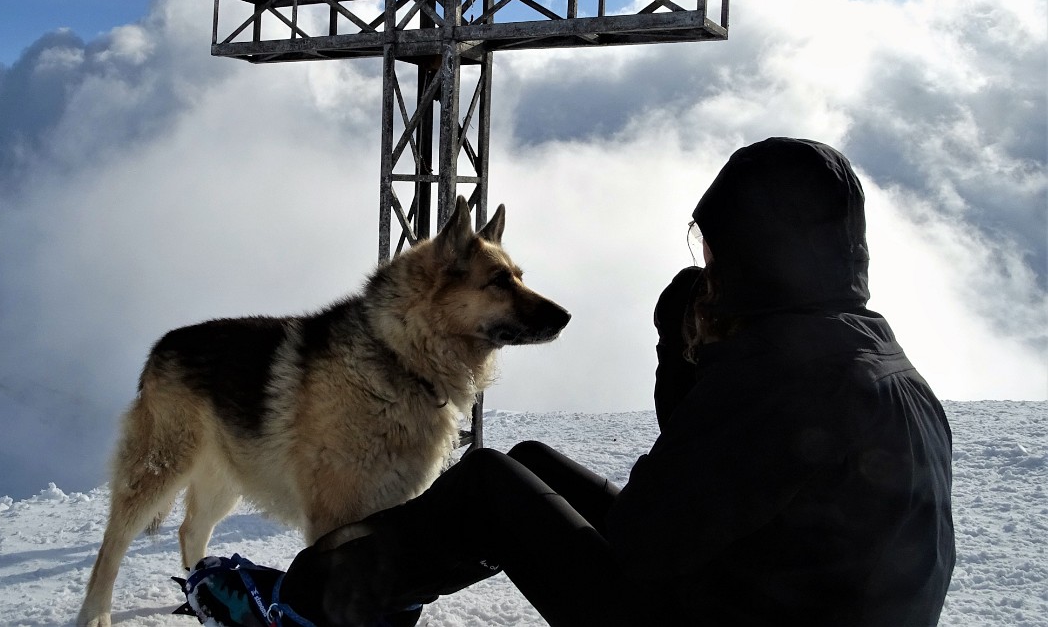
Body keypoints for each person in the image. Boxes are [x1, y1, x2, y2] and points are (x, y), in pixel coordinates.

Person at [186, 138, 956, 627]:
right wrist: (698, 360)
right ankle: (368, 594)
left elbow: (651, 537)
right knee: (530, 460)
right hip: (750, 596)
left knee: (490, 485)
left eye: (713, 247)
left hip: (714, 609)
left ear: (752, 252)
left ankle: (298, 609)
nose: (708, 267)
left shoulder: (783, 376)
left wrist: (682, 356)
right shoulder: (868, 357)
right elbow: (705, 506)